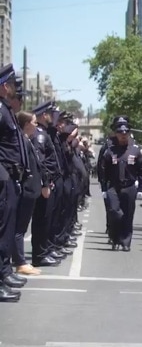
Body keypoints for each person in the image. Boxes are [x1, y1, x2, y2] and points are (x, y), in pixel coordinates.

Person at [0, 64, 28, 301]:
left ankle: (4, 273)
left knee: (7, 229)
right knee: (2, 229)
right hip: (3, 175)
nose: (14, 89)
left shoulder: (5, 109)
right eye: (12, 85)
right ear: (3, 86)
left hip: (9, 175)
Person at [101, 122, 142, 251]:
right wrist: (104, 188)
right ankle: (115, 238)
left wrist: (141, 187)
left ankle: (125, 242)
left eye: (126, 133)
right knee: (115, 213)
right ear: (116, 134)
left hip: (129, 186)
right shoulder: (110, 151)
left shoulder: (135, 151)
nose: (123, 135)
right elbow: (103, 170)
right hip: (113, 187)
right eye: (120, 133)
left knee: (128, 215)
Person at [12, 111, 44, 275]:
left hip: (31, 189)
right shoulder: (22, 141)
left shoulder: (27, 140)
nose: (36, 125)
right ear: (26, 124)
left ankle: (20, 260)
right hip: (26, 190)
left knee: (22, 227)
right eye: (34, 122)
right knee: (19, 228)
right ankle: (19, 262)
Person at [31, 101, 62, 267]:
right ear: (44, 115)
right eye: (50, 113)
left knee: (47, 219)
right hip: (45, 184)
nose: (52, 117)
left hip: (49, 182)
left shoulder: (44, 133)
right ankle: (39, 254)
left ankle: (45, 250)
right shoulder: (39, 135)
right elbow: (40, 162)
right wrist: (45, 182)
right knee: (42, 220)